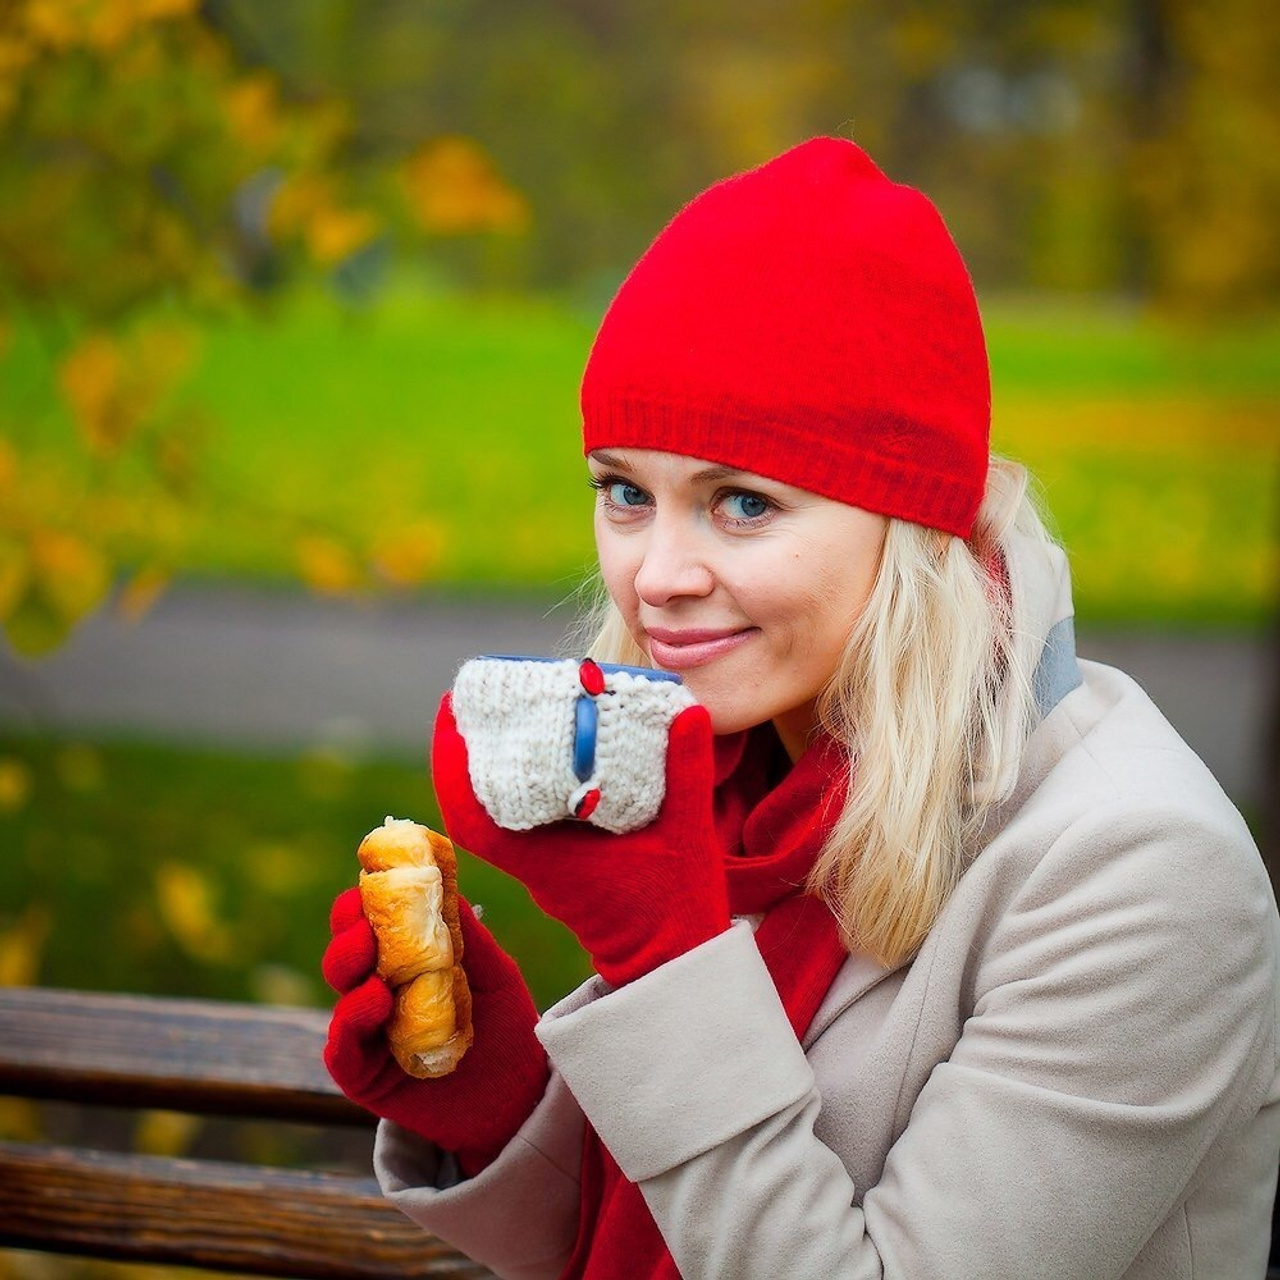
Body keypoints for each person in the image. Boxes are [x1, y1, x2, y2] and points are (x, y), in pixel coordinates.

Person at [322, 136, 1280, 1278]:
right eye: (625, 492)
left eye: (740, 503)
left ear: (907, 521)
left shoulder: (1138, 871)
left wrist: (662, 956)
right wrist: (502, 1107)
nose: (655, 573)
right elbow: (672, 1234)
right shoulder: (746, 778)